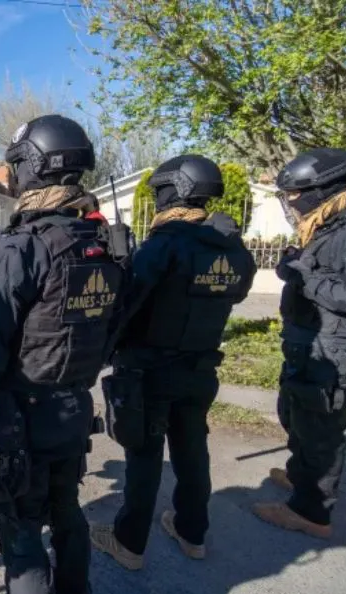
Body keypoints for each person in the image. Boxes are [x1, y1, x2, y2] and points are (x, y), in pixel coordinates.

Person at [0, 114, 130, 594]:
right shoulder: (103, 243)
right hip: (72, 409)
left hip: (20, 418)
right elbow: (115, 327)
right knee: (67, 511)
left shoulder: (24, 245)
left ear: (32, 167)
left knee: (21, 525)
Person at [88, 155, 257, 569]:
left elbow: (126, 304)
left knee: (144, 457)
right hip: (200, 368)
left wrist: (121, 266)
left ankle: (129, 543)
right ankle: (192, 533)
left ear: (173, 190)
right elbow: (236, 293)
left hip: (150, 370)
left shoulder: (164, 244)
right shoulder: (232, 248)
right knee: (192, 451)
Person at [253, 148, 346, 538]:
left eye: (296, 194)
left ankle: (311, 511)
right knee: (297, 414)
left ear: (325, 189)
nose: (292, 202)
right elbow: (329, 268)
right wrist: (297, 264)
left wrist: (307, 280)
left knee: (319, 429)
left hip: (338, 344)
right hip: (315, 339)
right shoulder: (335, 221)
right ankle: (302, 478)